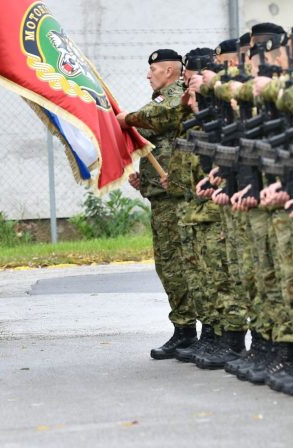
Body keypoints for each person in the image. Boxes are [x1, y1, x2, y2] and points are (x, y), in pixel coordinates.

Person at [116, 50, 196, 359]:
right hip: (162, 196)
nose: (148, 75)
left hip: (178, 198)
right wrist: (145, 180)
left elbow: (148, 120)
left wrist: (124, 118)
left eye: (153, 69)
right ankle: (184, 330)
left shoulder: (176, 96)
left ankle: (193, 330)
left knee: (180, 265)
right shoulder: (159, 100)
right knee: (168, 266)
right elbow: (147, 136)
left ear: (170, 71)